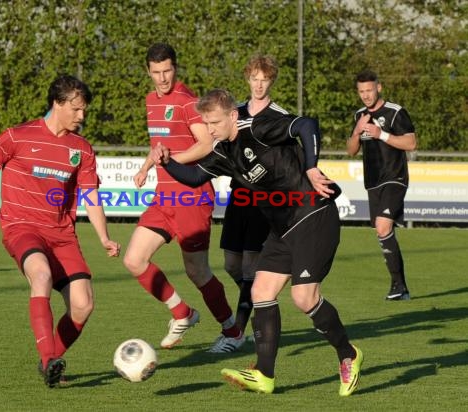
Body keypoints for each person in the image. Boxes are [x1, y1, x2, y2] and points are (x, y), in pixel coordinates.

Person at [152, 88, 363, 396]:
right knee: (261, 290)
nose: (209, 130)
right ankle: (264, 375)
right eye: (206, 124)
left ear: (232, 117)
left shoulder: (258, 128)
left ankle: (349, 354)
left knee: (304, 298)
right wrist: (167, 161)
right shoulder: (224, 151)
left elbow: (307, 125)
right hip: (283, 227)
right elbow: (196, 177)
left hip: (313, 214)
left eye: (214, 122)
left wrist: (311, 166)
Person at [0, 75, 121, 388]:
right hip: (22, 227)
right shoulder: (18, 136)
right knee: (40, 276)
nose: (82, 116)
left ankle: (50, 360)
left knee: (83, 305)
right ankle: (48, 359)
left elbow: (90, 195)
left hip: (62, 235)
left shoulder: (81, 148)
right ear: (57, 103)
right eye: (77, 109)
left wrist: (104, 236)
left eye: (84, 110)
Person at [122, 43, 244, 353]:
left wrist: (171, 161)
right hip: (163, 196)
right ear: (148, 72)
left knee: (197, 271)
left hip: (191, 196)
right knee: (134, 260)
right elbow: (159, 146)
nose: (162, 78)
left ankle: (233, 330)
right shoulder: (151, 100)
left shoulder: (188, 102)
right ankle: (182, 313)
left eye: (167, 71)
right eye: (156, 72)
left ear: (175, 69)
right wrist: (146, 167)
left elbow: (205, 145)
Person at [220, 55, 280, 335]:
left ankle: (238, 332)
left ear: (271, 81)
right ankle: (257, 295)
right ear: (248, 79)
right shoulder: (236, 113)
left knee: (248, 266)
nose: (259, 84)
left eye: (264, 79)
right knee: (231, 264)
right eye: (254, 78)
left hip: (263, 201)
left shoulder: (279, 116)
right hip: (238, 196)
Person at [347, 69, 417, 301]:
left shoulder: (395, 113)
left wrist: (381, 134)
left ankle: (399, 286)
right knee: (383, 232)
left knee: (383, 227)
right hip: (373, 182)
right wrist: (357, 132)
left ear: (379, 87)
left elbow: (411, 142)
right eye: (361, 92)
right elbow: (351, 150)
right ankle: (401, 287)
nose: (365, 95)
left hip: (395, 178)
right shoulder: (360, 115)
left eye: (369, 90)